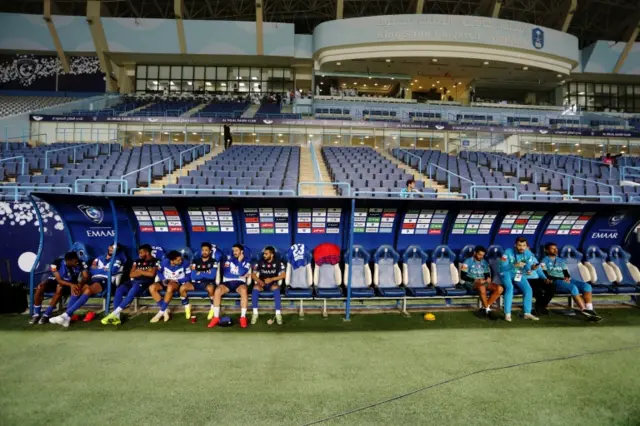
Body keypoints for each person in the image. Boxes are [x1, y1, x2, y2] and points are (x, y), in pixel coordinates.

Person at [50, 245, 125, 327]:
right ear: (108, 247)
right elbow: (91, 270)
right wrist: (104, 269)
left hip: (105, 280)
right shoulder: (99, 258)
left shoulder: (117, 260)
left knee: (88, 290)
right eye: (111, 247)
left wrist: (99, 270)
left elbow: (112, 271)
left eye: (115, 248)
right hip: (93, 279)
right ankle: (67, 318)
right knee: (77, 290)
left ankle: (66, 315)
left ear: (117, 251)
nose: (112, 249)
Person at [540, 243, 602, 321]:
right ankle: (585, 311)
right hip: (555, 281)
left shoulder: (560, 260)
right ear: (546, 250)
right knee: (573, 288)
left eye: (556, 248)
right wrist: (562, 279)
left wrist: (567, 277)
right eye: (552, 248)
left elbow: (566, 272)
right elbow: (546, 275)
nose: (555, 250)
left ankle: (590, 309)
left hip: (565, 279)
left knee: (587, 286)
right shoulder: (544, 260)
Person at [101, 244, 158, 326]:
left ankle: (113, 314)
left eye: (141, 252)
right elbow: (131, 274)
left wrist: (139, 271)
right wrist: (145, 272)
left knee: (134, 289)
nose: (139, 254)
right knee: (119, 289)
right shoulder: (137, 261)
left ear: (147, 252)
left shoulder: (155, 261)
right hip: (132, 281)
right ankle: (117, 317)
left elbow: (152, 274)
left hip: (144, 283)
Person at [30, 251, 89, 324]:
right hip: (58, 280)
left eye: (77, 260)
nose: (77, 263)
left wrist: (79, 283)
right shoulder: (55, 263)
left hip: (69, 284)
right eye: (75, 261)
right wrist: (71, 285)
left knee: (59, 287)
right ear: (68, 261)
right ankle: (36, 314)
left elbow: (86, 276)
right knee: (40, 287)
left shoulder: (81, 263)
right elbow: (59, 280)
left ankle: (46, 314)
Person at [207, 244, 251, 329]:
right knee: (218, 290)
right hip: (227, 282)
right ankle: (216, 317)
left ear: (241, 251)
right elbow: (218, 257)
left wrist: (239, 261)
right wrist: (214, 248)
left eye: (236, 250)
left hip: (239, 282)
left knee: (244, 290)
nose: (234, 252)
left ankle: (243, 317)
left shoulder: (246, 261)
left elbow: (242, 272)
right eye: (233, 250)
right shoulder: (228, 259)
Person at [498, 237, 540, 322]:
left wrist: (531, 268)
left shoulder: (528, 253)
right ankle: (507, 314)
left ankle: (527, 313)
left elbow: (527, 266)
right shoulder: (507, 252)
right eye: (519, 245)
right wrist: (514, 265)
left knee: (528, 289)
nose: (522, 247)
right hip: (506, 273)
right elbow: (502, 267)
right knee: (510, 288)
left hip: (517, 273)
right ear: (515, 245)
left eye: (524, 245)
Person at [460, 245, 503, 318]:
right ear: (475, 253)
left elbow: (486, 274)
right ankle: (487, 309)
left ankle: (484, 308)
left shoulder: (484, 262)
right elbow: (463, 276)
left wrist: (488, 278)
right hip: (471, 282)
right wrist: (475, 280)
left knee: (500, 288)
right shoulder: (467, 261)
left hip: (483, 282)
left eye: (483, 255)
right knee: (482, 288)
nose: (481, 257)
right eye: (479, 254)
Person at [182, 242, 221, 320]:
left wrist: (199, 273)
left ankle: (212, 308)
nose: (204, 252)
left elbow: (212, 276)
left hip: (208, 283)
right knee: (182, 288)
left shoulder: (214, 262)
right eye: (203, 250)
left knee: (211, 289)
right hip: (195, 283)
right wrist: (206, 272)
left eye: (206, 250)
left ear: (210, 251)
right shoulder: (195, 261)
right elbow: (193, 276)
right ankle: (187, 307)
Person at [149, 250, 191, 323]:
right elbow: (158, 271)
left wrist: (178, 280)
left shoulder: (185, 263)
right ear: (172, 261)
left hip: (177, 282)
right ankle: (165, 310)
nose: (181, 261)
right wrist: (163, 279)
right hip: (165, 281)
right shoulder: (164, 262)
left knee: (170, 287)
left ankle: (160, 313)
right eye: (178, 260)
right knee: (152, 287)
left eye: (181, 259)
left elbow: (189, 277)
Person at [250, 246, 286, 325]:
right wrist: (259, 281)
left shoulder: (279, 262)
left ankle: (278, 314)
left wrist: (272, 279)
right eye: (264, 254)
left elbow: (283, 275)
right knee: (255, 287)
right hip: (262, 284)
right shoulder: (260, 262)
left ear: (272, 254)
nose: (264, 255)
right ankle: (255, 313)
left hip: (272, 283)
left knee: (276, 288)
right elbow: (253, 274)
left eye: (266, 254)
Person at [522, 247, 556, 316]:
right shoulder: (519, 259)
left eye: (528, 249)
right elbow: (518, 271)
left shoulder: (533, 258)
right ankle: (538, 309)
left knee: (552, 287)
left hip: (537, 279)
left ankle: (541, 307)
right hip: (525, 279)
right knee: (539, 291)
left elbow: (539, 271)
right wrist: (529, 269)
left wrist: (545, 278)